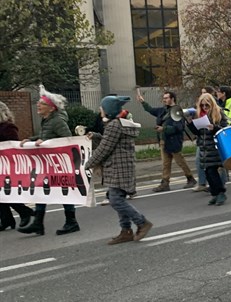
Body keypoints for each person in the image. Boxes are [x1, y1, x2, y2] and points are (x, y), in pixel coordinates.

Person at [85, 96, 154, 244]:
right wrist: (97, 136)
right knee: (118, 198)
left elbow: (104, 148)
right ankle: (126, 231)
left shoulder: (113, 125)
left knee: (115, 200)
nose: (100, 110)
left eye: (102, 107)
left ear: (108, 110)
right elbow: (109, 141)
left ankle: (142, 222)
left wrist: (87, 163)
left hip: (118, 168)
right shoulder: (118, 124)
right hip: (121, 167)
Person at [18, 87, 79, 236]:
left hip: (59, 164)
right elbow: (44, 136)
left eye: (41, 104)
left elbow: (67, 139)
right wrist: (31, 140)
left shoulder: (57, 121)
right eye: (38, 103)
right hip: (48, 164)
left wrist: (45, 141)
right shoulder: (47, 120)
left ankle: (71, 222)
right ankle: (38, 223)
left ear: (51, 108)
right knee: (40, 189)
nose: (38, 105)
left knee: (64, 190)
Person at [138, 90, 196, 192]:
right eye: (163, 98)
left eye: (166, 98)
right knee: (165, 163)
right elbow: (151, 110)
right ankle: (165, 183)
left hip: (174, 141)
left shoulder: (177, 111)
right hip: (163, 140)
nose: (164, 100)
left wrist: (164, 129)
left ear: (172, 99)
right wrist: (143, 102)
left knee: (180, 161)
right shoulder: (163, 110)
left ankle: (190, 178)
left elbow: (178, 128)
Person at [187, 93, 228, 206]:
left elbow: (225, 129)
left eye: (207, 105)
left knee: (212, 170)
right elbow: (197, 132)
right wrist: (190, 124)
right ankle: (215, 193)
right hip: (204, 147)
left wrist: (214, 128)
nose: (204, 107)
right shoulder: (199, 115)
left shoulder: (219, 114)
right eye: (202, 105)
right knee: (207, 172)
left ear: (212, 104)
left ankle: (220, 193)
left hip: (214, 147)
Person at [0, 101, 34, 231]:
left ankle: (23, 212)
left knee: (5, 191)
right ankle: (7, 219)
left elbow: (13, 145)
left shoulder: (8, 127)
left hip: (7, 165)